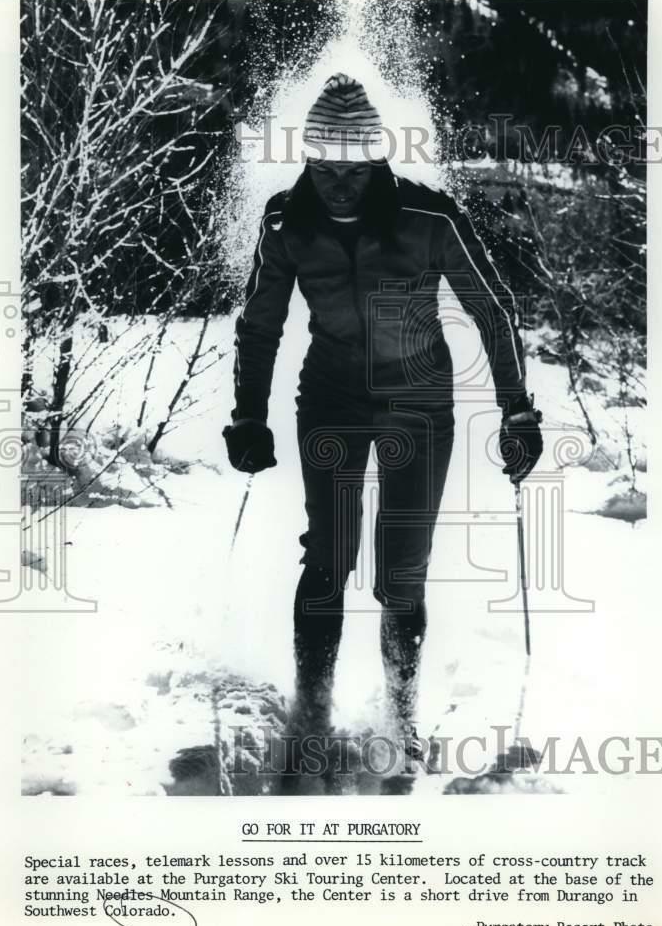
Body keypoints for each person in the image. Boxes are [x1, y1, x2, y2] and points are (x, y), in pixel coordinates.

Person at [222, 73, 542, 772]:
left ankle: (398, 715)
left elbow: (492, 309)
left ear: (376, 160)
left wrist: (516, 408)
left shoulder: (429, 218)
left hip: (418, 403)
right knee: (329, 559)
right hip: (331, 396)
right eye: (324, 167)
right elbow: (259, 323)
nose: (338, 184)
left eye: (354, 169)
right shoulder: (284, 222)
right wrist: (248, 415)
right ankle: (312, 711)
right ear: (307, 159)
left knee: (400, 574)